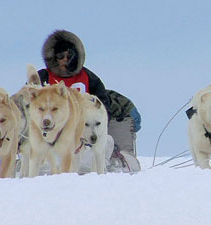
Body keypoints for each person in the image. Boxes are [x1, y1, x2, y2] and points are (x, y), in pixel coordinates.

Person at [37, 29, 141, 172]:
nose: (66, 60)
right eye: (61, 56)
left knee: (100, 146)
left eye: (70, 55)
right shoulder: (43, 77)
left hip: (85, 135)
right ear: (53, 58)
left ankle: (113, 161)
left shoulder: (88, 77)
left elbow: (103, 106)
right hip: (49, 134)